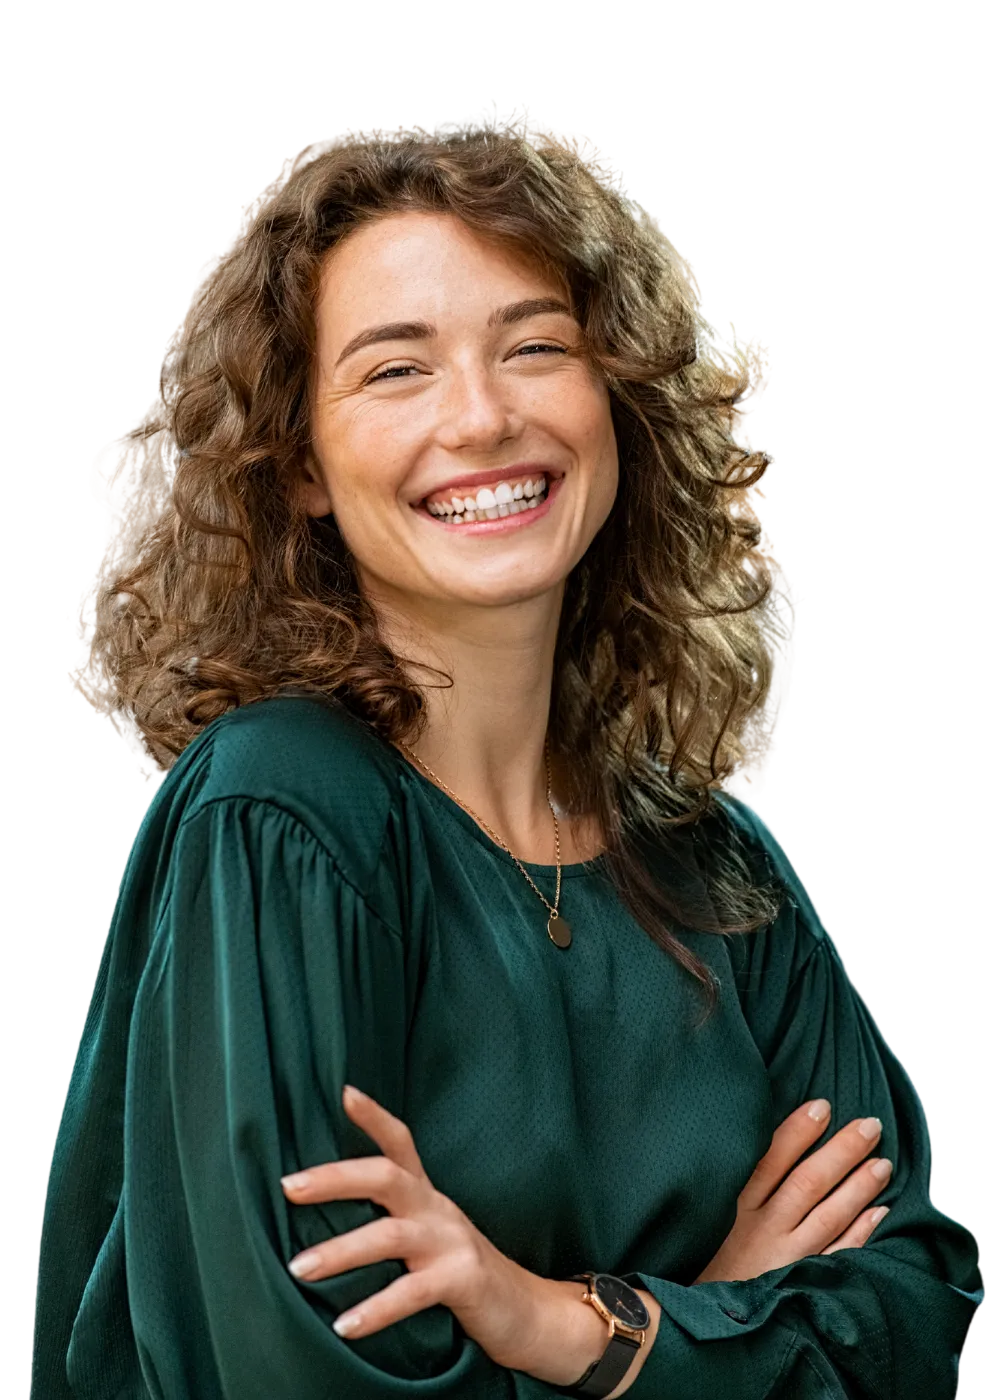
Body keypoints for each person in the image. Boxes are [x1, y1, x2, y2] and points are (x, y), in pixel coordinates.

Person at [36, 113, 982, 1398]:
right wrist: (709, 1322)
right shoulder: (281, 813)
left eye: (535, 346)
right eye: (395, 369)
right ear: (300, 461)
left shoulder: (711, 859)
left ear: (614, 397)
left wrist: (566, 1323)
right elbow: (300, 1382)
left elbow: (911, 1321)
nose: (482, 417)